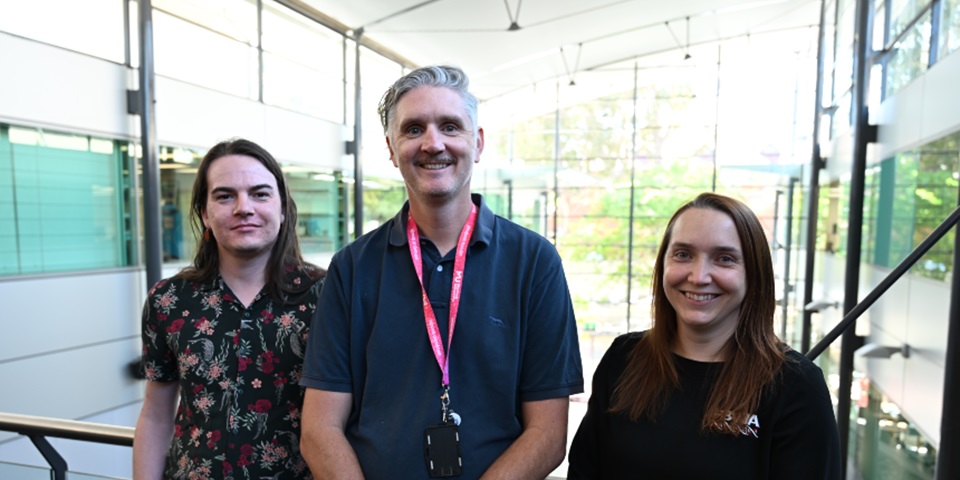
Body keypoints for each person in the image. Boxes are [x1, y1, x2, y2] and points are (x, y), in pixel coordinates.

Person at [299, 65, 583, 479]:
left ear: (478, 142)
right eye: (413, 129)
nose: (433, 143)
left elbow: (547, 433)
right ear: (393, 150)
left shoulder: (534, 262)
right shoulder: (352, 267)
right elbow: (320, 429)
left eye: (450, 126)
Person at [567, 192, 841, 479]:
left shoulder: (795, 386)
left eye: (724, 259)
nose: (699, 276)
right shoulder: (624, 358)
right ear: (664, 264)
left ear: (754, 274)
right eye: (683, 254)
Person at [134, 138, 324, 479]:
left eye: (260, 193)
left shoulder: (325, 295)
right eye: (225, 196)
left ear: (282, 208)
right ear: (205, 214)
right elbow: (156, 414)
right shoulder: (169, 300)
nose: (243, 207)